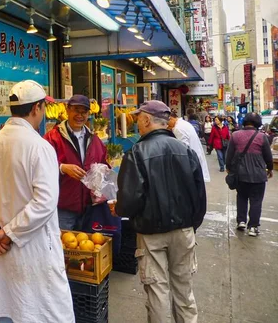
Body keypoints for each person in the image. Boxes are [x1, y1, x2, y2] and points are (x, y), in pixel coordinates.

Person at [0, 80, 73, 323]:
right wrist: (8, 233)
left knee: (10, 311)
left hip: (2, 249)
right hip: (35, 250)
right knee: (44, 313)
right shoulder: (40, 147)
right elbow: (45, 202)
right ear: (37, 108)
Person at [116, 100, 206, 323]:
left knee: (157, 292)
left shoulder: (137, 152)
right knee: (184, 289)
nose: (137, 122)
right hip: (184, 230)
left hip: (150, 233)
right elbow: (200, 196)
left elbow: (129, 199)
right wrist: (191, 225)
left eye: (138, 118)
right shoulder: (185, 150)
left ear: (147, 119)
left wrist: (119, 209)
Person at [44, 94, 108, 230]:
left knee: (88, 247)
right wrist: (62, 167)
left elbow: (104, 163)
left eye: (84, 111)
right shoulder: (52, 137)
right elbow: (40, 166)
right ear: (67, 110)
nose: (80, 115)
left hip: (90, 208)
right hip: (63, 208)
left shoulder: (94, 139)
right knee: (64, 248)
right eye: (76, 110)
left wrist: (101, 172)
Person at [226, 113, 274, 237]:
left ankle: (241, 221)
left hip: (241, 175)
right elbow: (268, 157)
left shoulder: (235, 135)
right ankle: (253, 227)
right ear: (258, 123)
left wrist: (229, 168)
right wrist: (270, 169)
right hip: (258, 175)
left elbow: (229, 155)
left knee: (241, 197)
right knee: (256, 201)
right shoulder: (262, 137)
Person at [169, 115, 211, 183]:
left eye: (167, 125)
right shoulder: (183, 123)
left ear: (171, 119)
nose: (168, 128)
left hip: (191, 164)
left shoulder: (178, 129)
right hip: (195, 158)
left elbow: (183, 151)